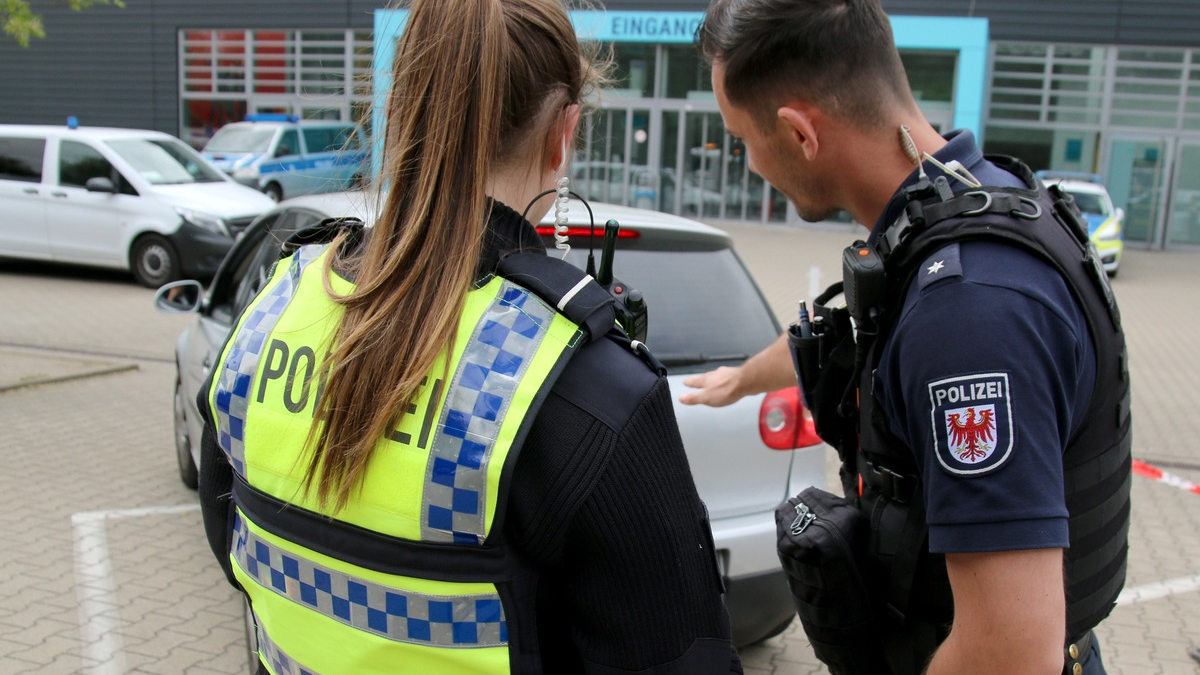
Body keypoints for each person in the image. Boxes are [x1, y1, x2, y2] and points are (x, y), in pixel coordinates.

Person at [196, 1, 742, 673]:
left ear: (403, 113)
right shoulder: (588, 389)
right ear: (563, 133)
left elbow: (233, 544)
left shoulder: (274, 309)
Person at [685, 1, 1131, 675]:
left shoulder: (968, 310)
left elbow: (1009, 652)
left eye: (742, 138)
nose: (749, 163)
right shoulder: (967, 199)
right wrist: (742, 380)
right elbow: (853, 332)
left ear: (800, 133)